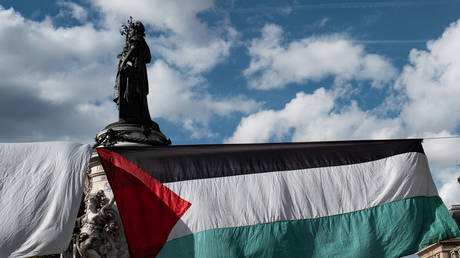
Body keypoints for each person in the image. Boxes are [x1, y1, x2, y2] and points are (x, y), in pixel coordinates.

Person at [114, 21, 154, 126]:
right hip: (139, 69)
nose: (130, 32)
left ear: (135, 30)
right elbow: (148, 58)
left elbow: (133, 49)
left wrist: (124, 61)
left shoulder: (137, 38)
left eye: (131, 30)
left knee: (131, 91)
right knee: (135, 92)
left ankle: (131, 115)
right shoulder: (142, 42)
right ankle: (134, 114)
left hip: (134, 69)